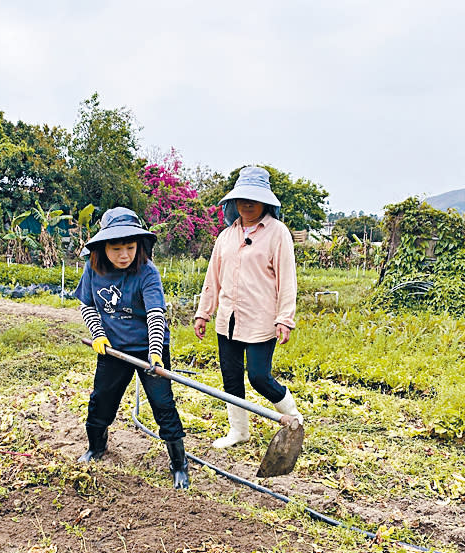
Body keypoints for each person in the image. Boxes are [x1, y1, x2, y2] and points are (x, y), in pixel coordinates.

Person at [74, 207, 189, 489]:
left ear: (139, 245)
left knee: (163, 405)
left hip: (149, 348)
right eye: (116, 248)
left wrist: (155, 353)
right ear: (103, 247)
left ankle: (179, 465)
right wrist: (98, 335)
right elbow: (87, 304)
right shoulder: (94, 267)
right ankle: (96, 447)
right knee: (102, 400)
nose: (124, 255)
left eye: (130, 247)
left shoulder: (147, 272)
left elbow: (155, 314)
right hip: (112, 349)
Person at [194, 166, 303, 448]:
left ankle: (294, 419)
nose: (248, 204)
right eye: (243, 198)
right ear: (234, 202)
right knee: (231, 378)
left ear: (265, 202)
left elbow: (287, 278)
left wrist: (285, 318)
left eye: (254, 199)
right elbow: (212, 278)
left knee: (258, 377)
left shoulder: (278, 233)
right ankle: (239, 431)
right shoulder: (226, 237)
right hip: (227, 318)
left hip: (261, 319)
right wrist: (203, 312)